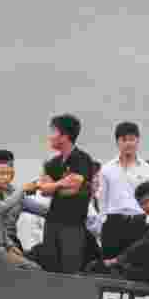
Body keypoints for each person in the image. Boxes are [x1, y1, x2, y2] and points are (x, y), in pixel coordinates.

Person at [38, 114, 96, 273]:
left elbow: (74, 187)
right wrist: (62, 183)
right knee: (50, 268)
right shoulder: (52, 163)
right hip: (51, 223)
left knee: (70, 270)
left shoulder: (82, 159)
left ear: (64, 136)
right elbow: (43, 190)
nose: (50, 137)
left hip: (73, 226)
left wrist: (54, 186)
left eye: (53, 132)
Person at [98, 122, 149, 259]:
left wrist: (148, 222)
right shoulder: (107, 169)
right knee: (110, 265)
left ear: (138, 141)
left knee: (137, 265)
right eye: (124, 140)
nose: (128, 144)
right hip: (113, 223)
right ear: (117, 142)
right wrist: (103, 222)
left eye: (132, 139)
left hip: (139, 223)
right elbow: (102, 200)